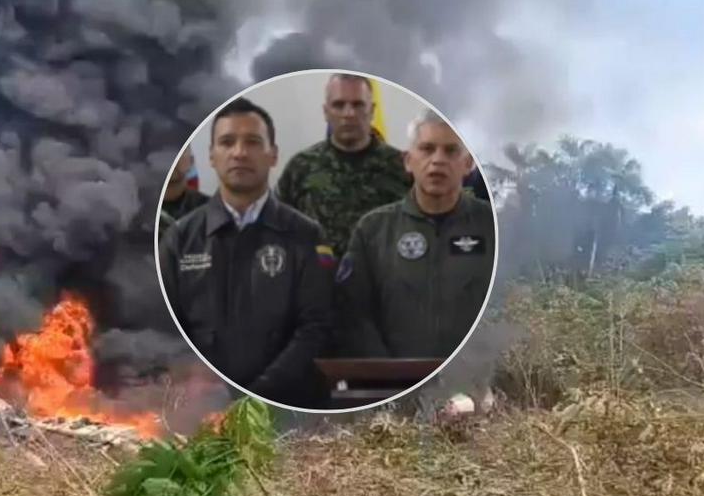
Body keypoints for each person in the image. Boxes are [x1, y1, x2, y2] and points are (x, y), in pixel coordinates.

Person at [159, 97, 332, 408]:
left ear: (273, 155)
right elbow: (168, 330)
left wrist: (258, 396)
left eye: (252, 142)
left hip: (288, 409)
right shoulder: (180, 239)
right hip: (203, 410)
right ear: (211, 156)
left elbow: (315, 328)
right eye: (227, 142)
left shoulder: (306, 235)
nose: (239, 152)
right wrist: (211, 395)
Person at [335, 110, 494, 359]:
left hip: (477, 376)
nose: (438, 160)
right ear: (408, 160)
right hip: (395, 378)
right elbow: (353, 313)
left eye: (451, 151)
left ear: (468, 164)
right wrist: (387, 370)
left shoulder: (494, 226)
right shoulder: (373, 229)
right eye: (427, 149)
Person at [276, 73, 412, 255]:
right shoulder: (300, 167)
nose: (348, 114)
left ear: (372, 110)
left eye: (358, 105)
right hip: (317, 271)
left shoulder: (402, 167)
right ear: (326, 112)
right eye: (339, 105)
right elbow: (277, 228)